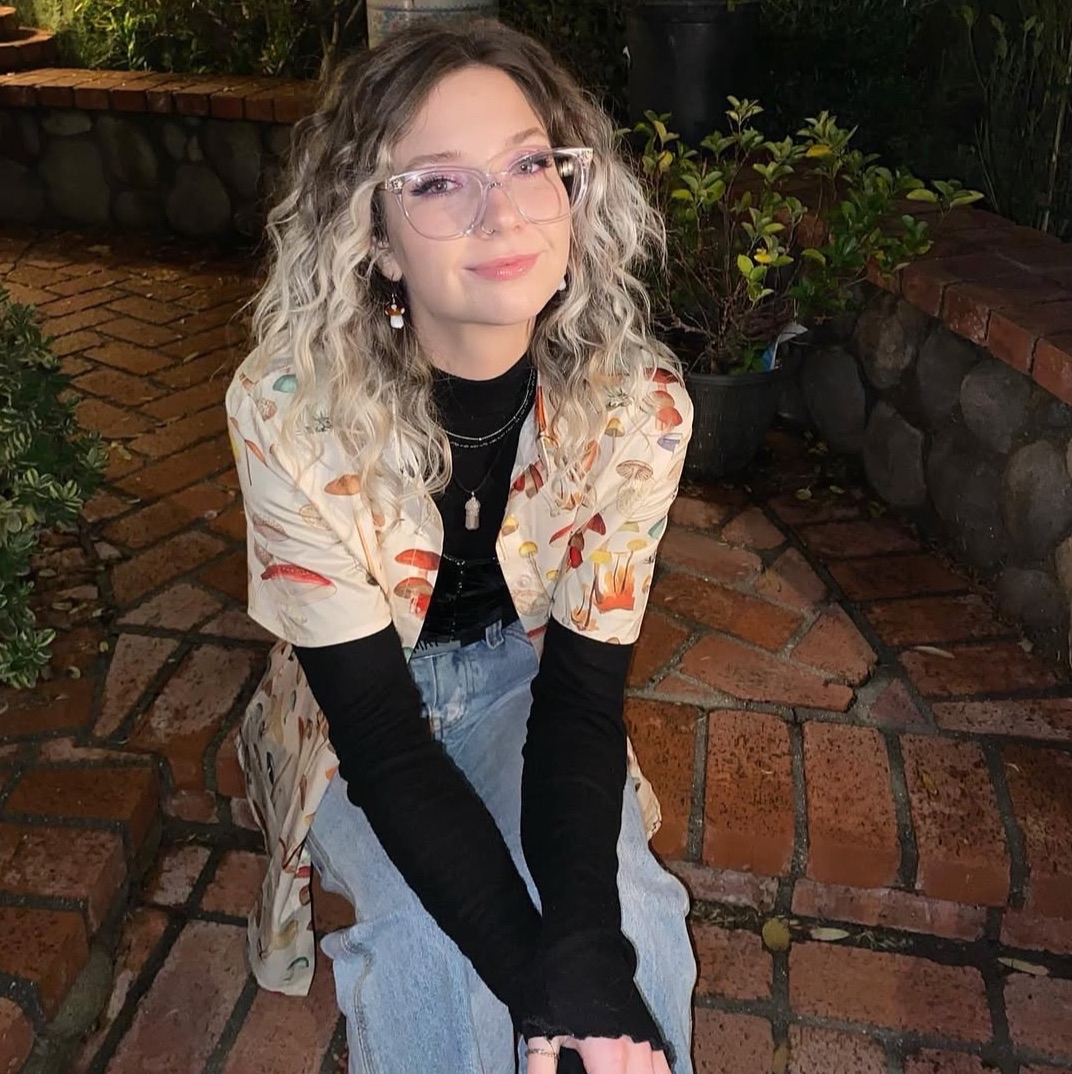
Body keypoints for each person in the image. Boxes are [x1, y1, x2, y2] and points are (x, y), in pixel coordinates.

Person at [225, 17, 697, 1074]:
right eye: (438, 182)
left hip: (522, 673)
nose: (503, 212)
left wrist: (588, 963)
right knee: (427, 949)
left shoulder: (639, 408)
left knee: (632, 923)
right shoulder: (287, 413)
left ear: (573, 188)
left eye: (529, 163)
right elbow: (381, 741)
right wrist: (552, 993)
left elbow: (580, 703)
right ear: (375, 236)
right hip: (351, 707)